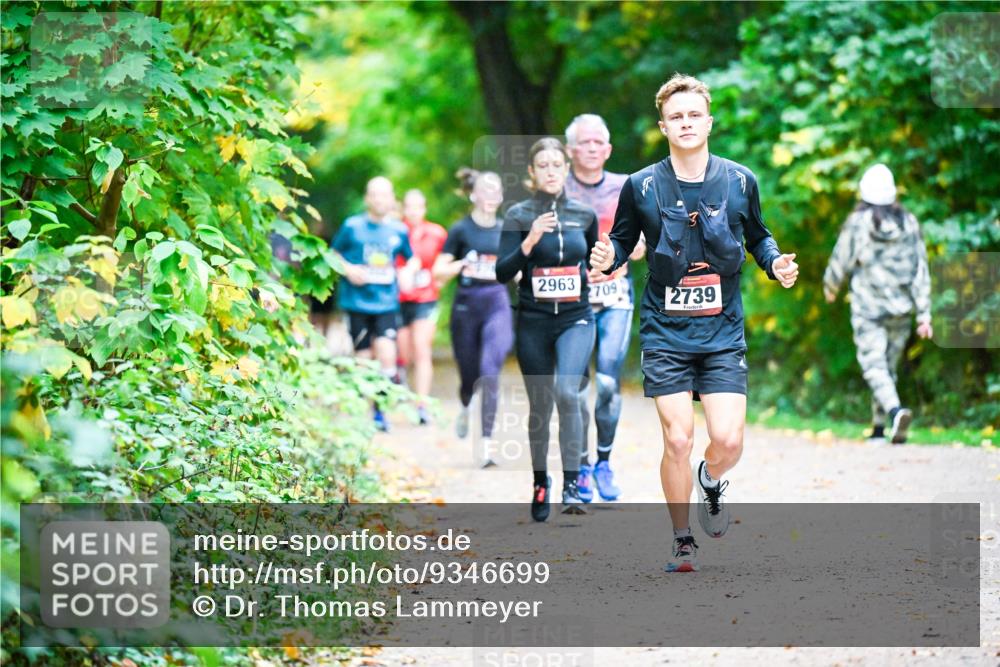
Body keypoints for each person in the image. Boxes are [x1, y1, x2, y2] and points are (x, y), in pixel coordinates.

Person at [589, 74, 799, 571]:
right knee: (677, 436)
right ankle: (683, 538)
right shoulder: (641, 186)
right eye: (675, 117)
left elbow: (759, 238)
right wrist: (607, 256)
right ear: (664, 126)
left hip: (722, 329)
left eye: (693, 115)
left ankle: (710, 477)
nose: (685, 123)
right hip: (665, 329)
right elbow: (622, 241)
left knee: (728, 440)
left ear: (708, 122)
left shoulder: (739, 180)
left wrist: (776, 264)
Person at [496, 137, 599, 522]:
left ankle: (573, 482)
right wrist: (530, 241)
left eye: (558, 165)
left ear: (567, 170)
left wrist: (613, 258)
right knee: (540, 405)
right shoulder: (519, 215)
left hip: (576, 318)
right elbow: (500, 273)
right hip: (534, 320)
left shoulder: (583, 215)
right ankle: (542, 481)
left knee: (566, 392)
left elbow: (595, 260)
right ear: (532, 174)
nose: (552, 171)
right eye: (544, 166)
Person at [564, 113, 646, 503]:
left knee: (609, 384)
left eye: (599, 142)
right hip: (572, 298)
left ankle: (603, 463)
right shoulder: (557, 190)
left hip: (615, 295)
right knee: (577, 391)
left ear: (608, 149)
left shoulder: (626, 186)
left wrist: (623, 256)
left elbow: (644, 239)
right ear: (570, 149)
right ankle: (579, 468)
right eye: (585, 142)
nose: (593, 148)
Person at [823, 163, 932, 445]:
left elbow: (841, 257)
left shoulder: (858, 222)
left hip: (868, 308)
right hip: (902, 307)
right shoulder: (908, 222)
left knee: (874, 366)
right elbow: (921, 268)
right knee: (887, 368)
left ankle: (894, 413)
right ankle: (880, 428)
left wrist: (831, 286)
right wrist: (924, 313)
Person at [331, 176, 421, 431]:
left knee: (386, 354)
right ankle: (364, 413)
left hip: (386, 304)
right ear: (367, 198)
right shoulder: (352, 226)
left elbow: (412, 259)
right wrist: (348, 269)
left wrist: (407, 272)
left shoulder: (398, 230)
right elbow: (332, 253)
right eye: (375, 195)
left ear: (392, 199)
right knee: (362, 359)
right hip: (357, 302)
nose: (380, 199)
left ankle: (381, 412)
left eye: (385, 195)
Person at [433, 169, 513, 455]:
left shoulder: (507, 229)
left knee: (490, 372)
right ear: (473, 194)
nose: (491, 196)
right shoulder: (460, 230)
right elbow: (438, 272)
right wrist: (460, 265)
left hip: (497, 303)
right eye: (485, 190)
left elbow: (516, 272)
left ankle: (486, 444)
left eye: (496, 190)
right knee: (469, 376)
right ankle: (466, 404)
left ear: (501, 196)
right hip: (466, 304)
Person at [396, 189, 448, 426]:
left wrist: (440, 279)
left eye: (418, 206)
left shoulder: (437, 233)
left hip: (426, 298)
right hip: (398, 299)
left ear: (424, 209)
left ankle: (422, 404)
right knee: (403, 353)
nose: (413, 211)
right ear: (403, 208)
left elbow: (444, 264)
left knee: (421, 349)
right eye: (409, 206)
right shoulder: (395, 232)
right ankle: (400, 379)